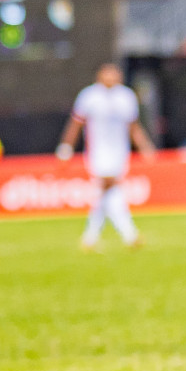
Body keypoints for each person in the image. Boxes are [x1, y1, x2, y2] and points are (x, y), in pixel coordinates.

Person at [57, 63, 156, 250]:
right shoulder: (89, 96)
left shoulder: (126, 96)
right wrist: (66, 147)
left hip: (120, 152)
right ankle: (128, 234)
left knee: (106, 192)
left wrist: (145, 146)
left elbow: (133, 127)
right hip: (97, 151)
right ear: (99, 76)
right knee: (108, 187)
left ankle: (91, 238)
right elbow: (76, 124)